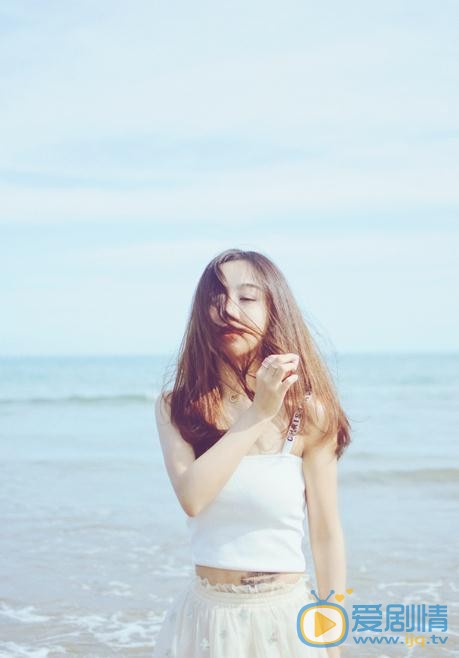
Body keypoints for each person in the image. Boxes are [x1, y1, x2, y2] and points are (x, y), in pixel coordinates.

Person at [153, 248, 351, 657]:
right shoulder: (178, 405)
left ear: (273, 308)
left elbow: (327, 536)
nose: (228, 309)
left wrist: (334, 644)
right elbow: (192, 497)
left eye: (246, 297)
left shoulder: (309, 414)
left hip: (284, 619)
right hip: (208, 620)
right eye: (216, 298)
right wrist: (258, 413)